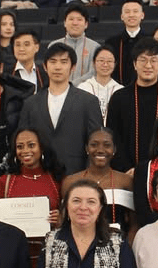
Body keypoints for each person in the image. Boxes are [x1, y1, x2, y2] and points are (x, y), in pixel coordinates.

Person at [19, 43, 103, 174]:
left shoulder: (88, 101)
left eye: (64, 62)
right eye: (53, 62)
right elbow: (23, 140)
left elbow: (96, 142)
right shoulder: (31, 103)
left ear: (73, 67)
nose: (58, 67)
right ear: (45, 67)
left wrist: (88, 175)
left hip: (77, 173)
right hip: (41, 174)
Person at [107, 37, 158, 171]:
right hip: (126, 173)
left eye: (154, 60)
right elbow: (113, 136)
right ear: (134, 64)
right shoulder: (119, 97)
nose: (148, 65)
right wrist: (127, 169)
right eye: (143, 60)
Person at [61, 128, 136, 238]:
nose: (100, 150)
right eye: (94, 144)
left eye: (107, 145)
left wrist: (127, 250)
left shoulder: (126, 181)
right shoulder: (70, 182)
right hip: (80, 245)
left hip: (118, 246)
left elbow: (134, 225)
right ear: (87, 148)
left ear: (114, 149)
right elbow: (63, 221)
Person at [0, 128, 64, 228]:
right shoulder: (5, 182)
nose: (25, 151)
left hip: (49, 242)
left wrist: (60, 219)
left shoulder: (56, 179)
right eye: (20, 147)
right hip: (14, 242)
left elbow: (67, 217)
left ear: (42, 147)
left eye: (31, 145)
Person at [49, 4, 100, 86]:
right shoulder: (54, 45)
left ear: (86, 24)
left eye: (79, 19)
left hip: (85, 92)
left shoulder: (95, 47)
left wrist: (72, 85)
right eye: (71, 19)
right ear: (65, 23)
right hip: (59, 89)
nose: (75, 23)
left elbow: (93, 73)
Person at [104, 0, 148, 86]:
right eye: (127, 12)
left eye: (135, 11)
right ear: (122, 16)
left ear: (142, 15)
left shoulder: (150, 41)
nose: (131, 15)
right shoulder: (112, 42)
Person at [78, 46, 124, 123]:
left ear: (115, 64)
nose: (105, 64)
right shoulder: (83, 88)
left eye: (109, 61)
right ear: (94, 63)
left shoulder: (120, 90)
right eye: (101, 60)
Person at [6, 29, 47, 94]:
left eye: (26, 44)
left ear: (37, 47)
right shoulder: (6, 74)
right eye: (18, 45)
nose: (21, 49)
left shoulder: (45, 73)